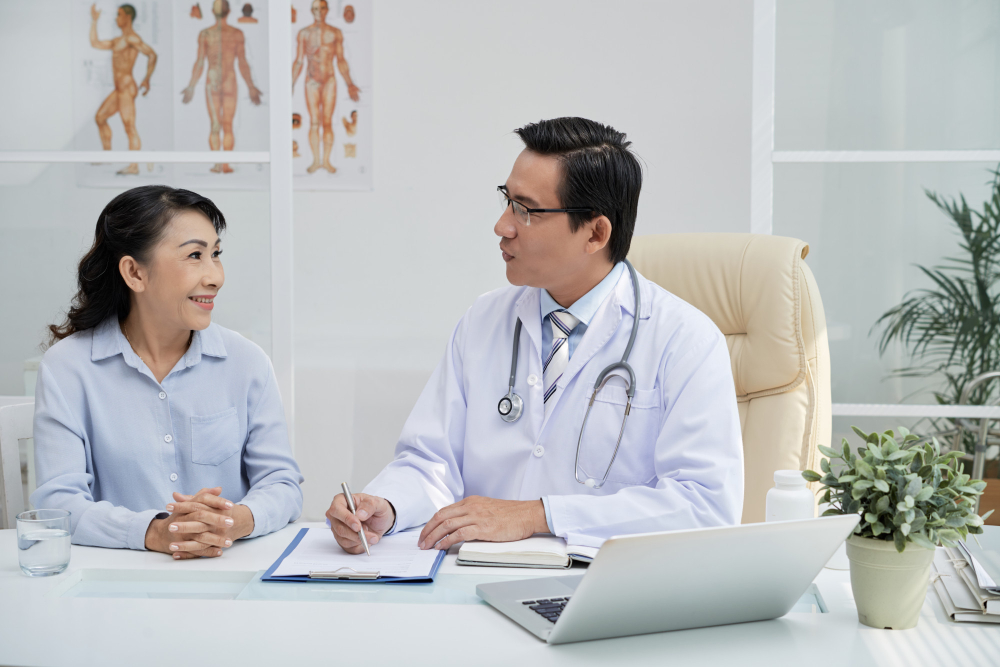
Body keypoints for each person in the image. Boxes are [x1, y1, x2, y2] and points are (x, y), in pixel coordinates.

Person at [327, 117, 744, 555]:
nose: (502, 226)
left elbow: (705, 506)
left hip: (602, 593)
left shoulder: (685, 341)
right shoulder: (483, 321)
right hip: (473, 580)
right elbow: (432, 461)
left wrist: (537, 515)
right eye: (507, 201)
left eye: (525, 210)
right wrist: (387, 505)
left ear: (596, 232)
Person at [31, 185, 303, 559]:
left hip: (230, 574)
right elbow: (58, 504)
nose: (215, 277)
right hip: (114, 583)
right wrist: (155, 532)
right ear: (134, 273)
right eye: (195, 255)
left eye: (216, 255)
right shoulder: (68, 368)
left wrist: (236, 520)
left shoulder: (246, 361)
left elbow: (282, 484)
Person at [181, 0, 262, 174]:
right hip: (214, 82)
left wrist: (251, 86)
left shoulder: (235, 33)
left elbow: (242, 61)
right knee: (217, 124)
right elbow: (200, 61)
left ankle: (224, 163)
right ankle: (219, 163)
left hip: (228, 81)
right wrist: (191, 86)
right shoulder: (206, 34)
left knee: (226, 124)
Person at [292, 0, 361, 174]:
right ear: (311, 10)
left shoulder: (335, 33)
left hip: (329, 80)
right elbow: (299, 61)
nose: (319, 11)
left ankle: (327, 161)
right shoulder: (303, 33)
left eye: (322, 8)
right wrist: (290, 84)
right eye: (315, 8)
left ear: (327, 10)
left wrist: (350, 84)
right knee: (314, 122)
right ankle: (316, 161)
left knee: (328, 122)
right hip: (311, 82)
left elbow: (341, 60)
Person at [90, 3, 157, 176]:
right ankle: (107, 154)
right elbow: (95, 43)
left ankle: (134, 166)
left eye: (119, 14)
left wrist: (147, 79)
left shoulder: (132, 39)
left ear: (127, 17)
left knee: (129, 126)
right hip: (118, 89)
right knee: (100, 117)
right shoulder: (116, 41)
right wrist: (94, 21)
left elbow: (152, 54)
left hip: (127, 88)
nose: (116, 18)